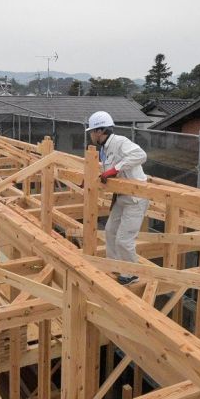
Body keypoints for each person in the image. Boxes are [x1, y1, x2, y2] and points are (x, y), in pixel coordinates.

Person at [86, 110, 148, 286]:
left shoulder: (120, 142)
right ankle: (115, 264)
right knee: (110, 230)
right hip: (121, 196)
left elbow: (140, 155)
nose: (91, 135)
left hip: (136, 198)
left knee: (124, 238)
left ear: (100, 131)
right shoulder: (105, 148)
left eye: (92, 131)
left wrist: (115, 169)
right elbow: (107, 170)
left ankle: (131, 273)